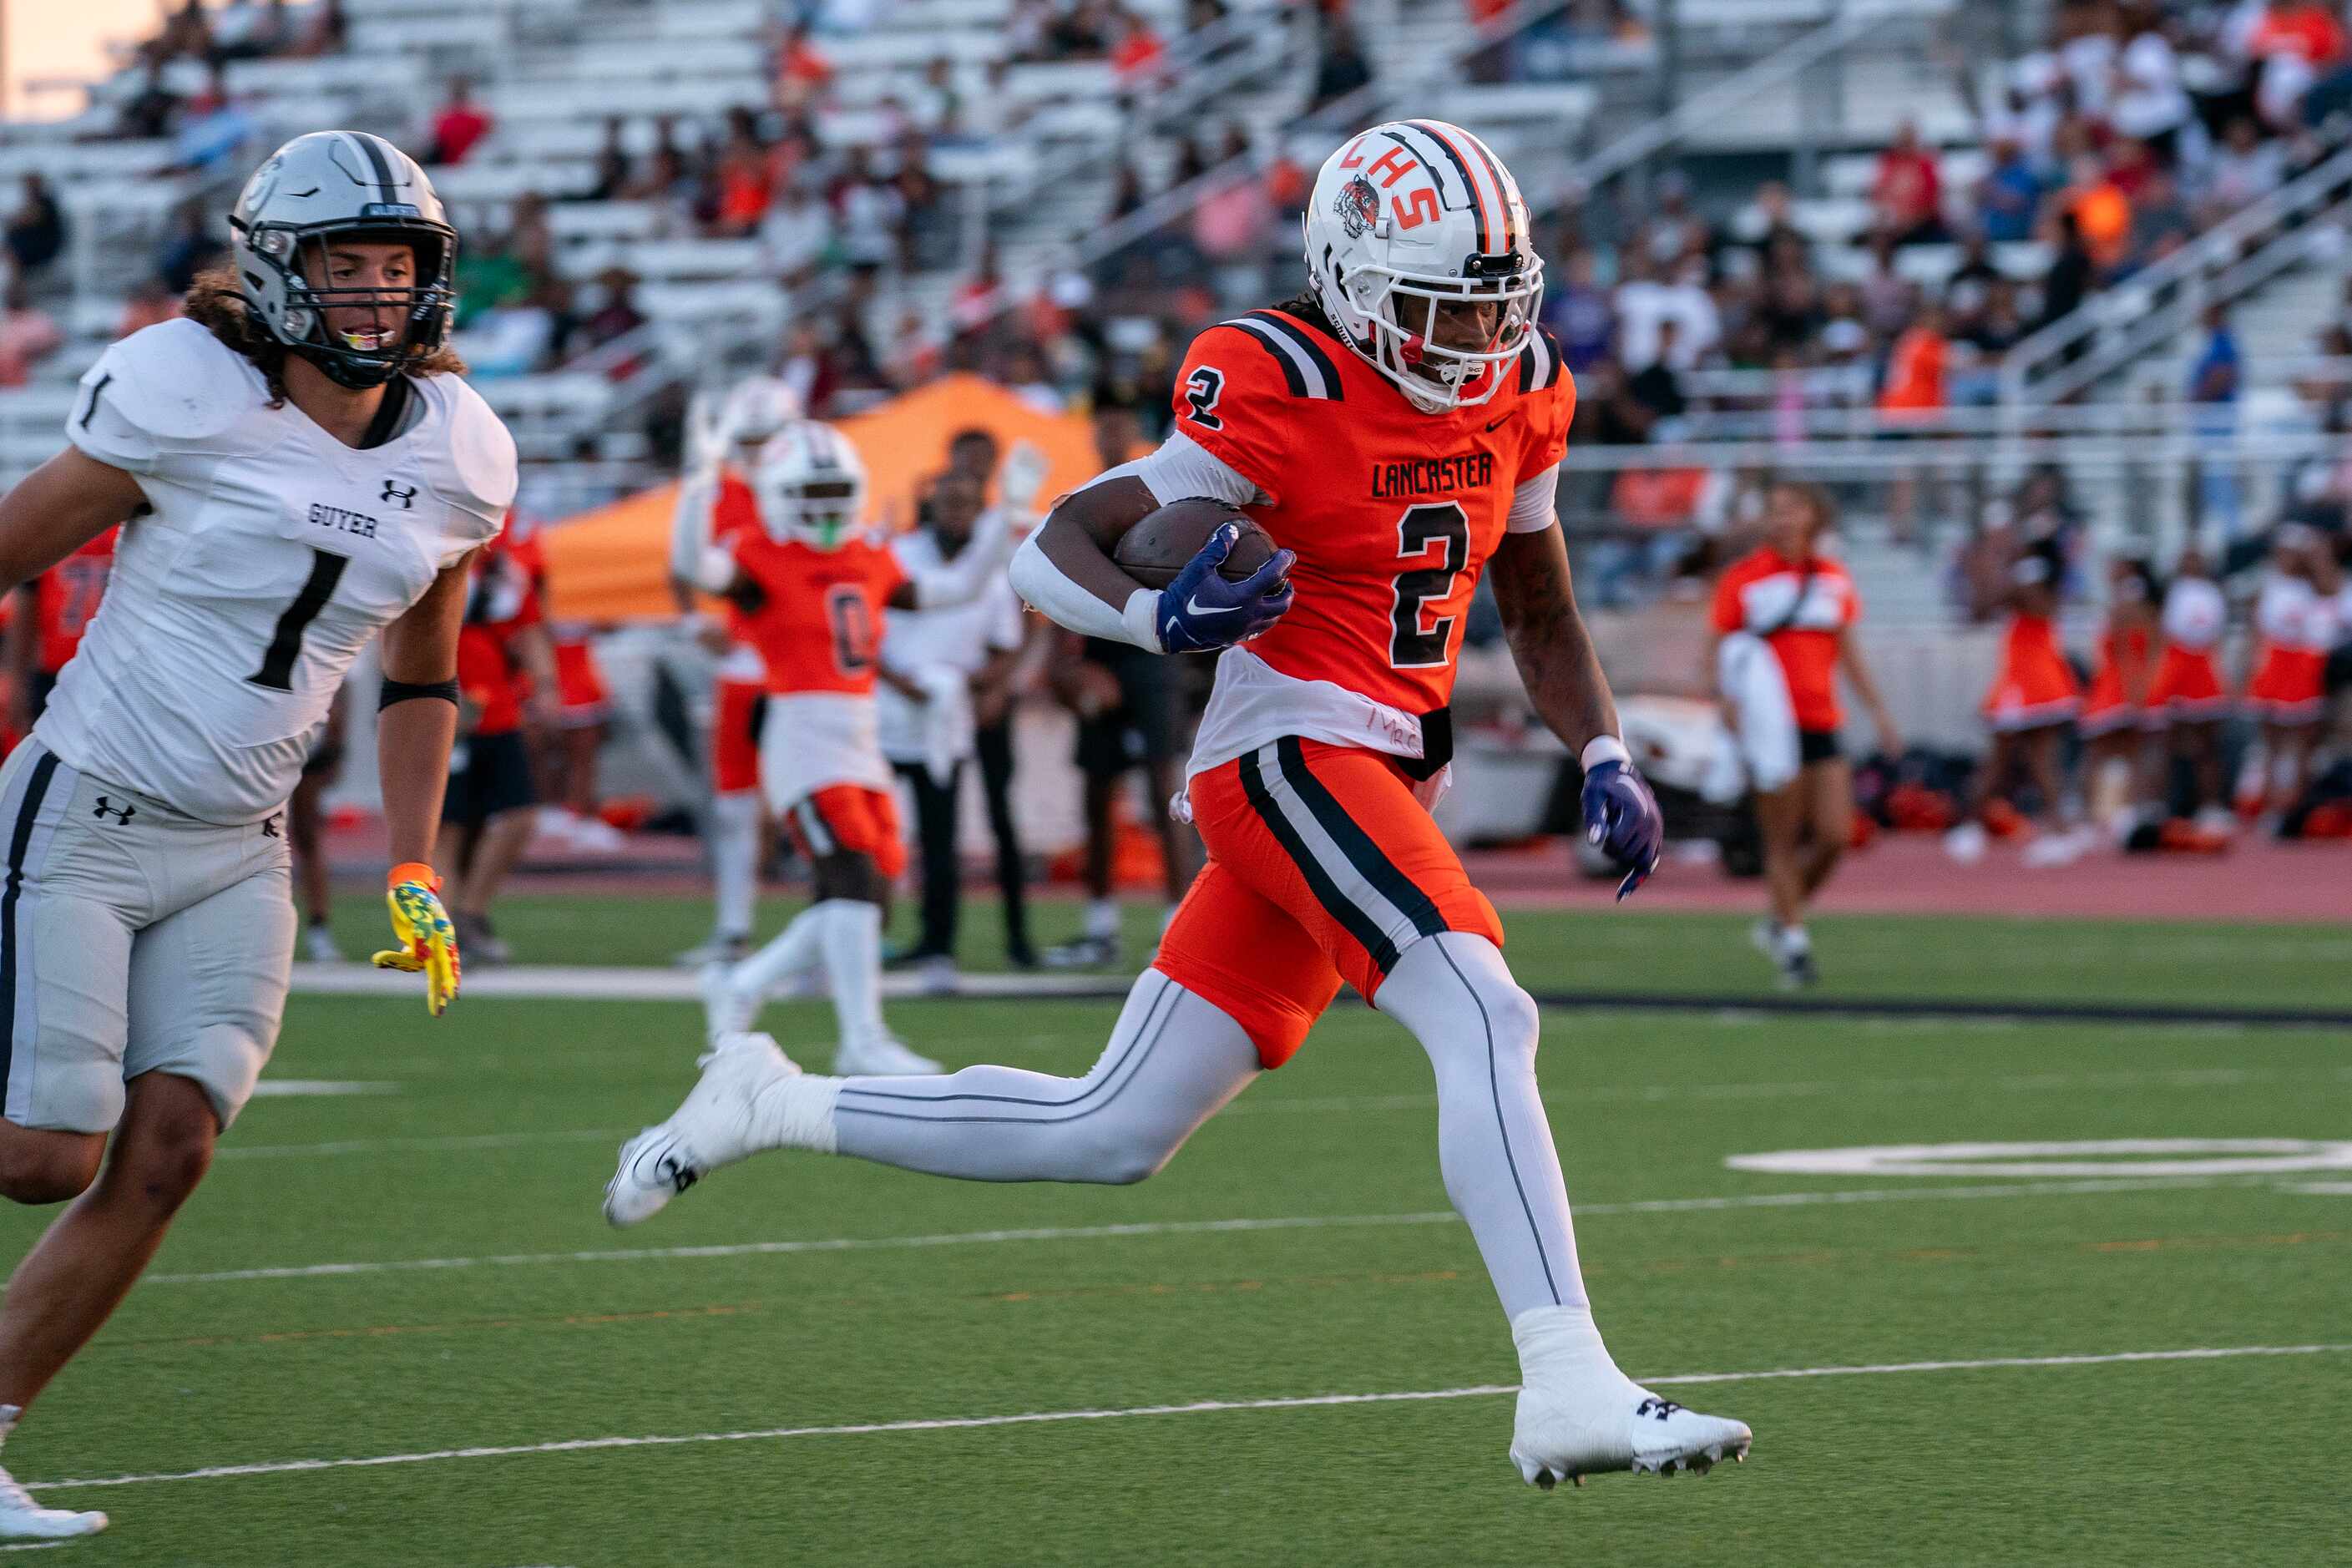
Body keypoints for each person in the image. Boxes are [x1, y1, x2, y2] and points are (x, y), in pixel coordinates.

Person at [607, 120, 1749, 1490]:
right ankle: (1568, 1380)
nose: (1474, 338)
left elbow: (1539, 603)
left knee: (1113, 1127)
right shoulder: (1272, 375)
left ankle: (772, 1101)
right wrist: (1157, 609)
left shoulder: (1521, 387)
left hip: (1385, 763)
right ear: (1354, 274)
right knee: (1484, 1005)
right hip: (1292, 751)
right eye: (1446, 305)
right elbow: (1052, 551)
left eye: (1498, 306)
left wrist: (1603, 751)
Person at [0, 131, 510, 1538]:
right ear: (278, 271)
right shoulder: (186, 395)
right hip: (87, 806)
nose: (371, 294)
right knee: (41, 1149)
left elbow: (424, 672)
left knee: (168, 1147)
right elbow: (11, 547)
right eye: (342, 264)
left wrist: (411, 857)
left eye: (394, 265)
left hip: (242, 845)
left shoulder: (462, 450)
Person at [686, 420, 1013, 1075]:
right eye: (812, 490)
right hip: (802, 733)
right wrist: (699, 481)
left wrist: (1008, 521)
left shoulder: (868, 552)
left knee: (873, 885)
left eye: (835, 488)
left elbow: (959, 590)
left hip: (861, 730)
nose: (826, 503)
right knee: (852, 876)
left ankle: (743, 983)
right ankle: (860, 1038)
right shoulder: (759, 552)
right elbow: (691, 567)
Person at [1709, 483, 1899, 989]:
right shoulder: (1744, 578)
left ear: (1815, 517)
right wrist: (1726, 704)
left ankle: (1782, 916)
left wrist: (1878, 712)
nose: (1782, 519)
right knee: (1782, 838)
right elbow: (1723, 650)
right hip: (1771, 724)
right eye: (1774, 510)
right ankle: (1794, 945)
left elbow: (1848, 652)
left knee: (1836, 834)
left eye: (1792, 510)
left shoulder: (1833, 579)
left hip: (1822, 718)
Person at [1043, 396, 1196, 968]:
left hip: (1154, 650)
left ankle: (1175, 922)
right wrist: (1068, 663)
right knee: (1096, 788)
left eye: (1119, 425)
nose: (1111, 435)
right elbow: (1057, 579)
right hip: (1103, 650)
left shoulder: (1162, 492)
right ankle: (1100, 925)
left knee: (1165, 789)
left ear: (1135, 431)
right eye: (1103, 425)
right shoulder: (1084, 496)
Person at [670, 377, 803, 967]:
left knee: (817, 806)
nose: (752, 451)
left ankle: (830, 935)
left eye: (764, 438)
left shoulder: (811, 490)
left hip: (800, 669)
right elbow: (681, 564)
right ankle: (733, 930)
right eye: (744, 440)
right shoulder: (714, 494)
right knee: (733, 807)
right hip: (742, 669)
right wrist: (693, 621)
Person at [877, 469, 1027, 989]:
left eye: (967, 504)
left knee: (941, 839)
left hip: (945, 718)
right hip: (884, 713)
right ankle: (861, 938)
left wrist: (973, 685)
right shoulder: (896, 554)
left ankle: (939, 946)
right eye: (948, 502)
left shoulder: (985, 570)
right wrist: (900, 682)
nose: (956, 513)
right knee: (869, 834)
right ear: (931, 504)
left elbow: (1005, 644)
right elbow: (862, 632)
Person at [437, 526, 555, 964]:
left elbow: (528, 628)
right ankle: (445, 933)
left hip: (498, 711)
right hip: (441, 709)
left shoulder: (506, 570)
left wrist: (544, 686)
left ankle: (469, 914)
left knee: (518, 815)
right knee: (448, 828)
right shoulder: (433, 556)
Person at [1948, 539, 2085, 866]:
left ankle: (1976, 826)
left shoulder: (2029, 578)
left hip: (2029, 682)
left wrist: (1988, 569)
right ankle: (2056, 829)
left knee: (2011, 760)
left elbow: (1991, 604)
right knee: (2026, 759)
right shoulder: (2029, 579)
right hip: (2033, 679)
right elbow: (1980, 611)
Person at [2242, 524, 2340, 823]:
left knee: (2304, 743)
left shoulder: (2316, 584)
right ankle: (2272, 808)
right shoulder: (2267, 585)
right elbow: (2256, 631)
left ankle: (2297, 808)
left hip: (2303, 666)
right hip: (2274, 664)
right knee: (2272, 742)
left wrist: (2317, 556)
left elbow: (2331, 592)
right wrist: (2251, 669)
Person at [2144, 543, 2231, 832]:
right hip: (2176, 669)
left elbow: (2215, 637)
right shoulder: (2170, 593)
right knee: (2167, 743)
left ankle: (2209, 805)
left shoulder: (2212, 594)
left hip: (2203, 669)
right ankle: (2163, 805)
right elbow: (2160, 635)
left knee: (2207, 745)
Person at [2076, 555, 2159, 841]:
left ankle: (2096, 816)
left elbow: (2127, 652)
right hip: (2124, 686)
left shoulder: (2126, 605)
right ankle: (2128, 812)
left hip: (2118, 689)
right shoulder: (2138, 606)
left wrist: (2134, 691)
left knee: (2100, 755)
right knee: (2130, 755)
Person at [288, 686, 350, 960]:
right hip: (263, 734)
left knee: (307, 836)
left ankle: (319, 927)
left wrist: (335, 746)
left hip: (307, 739)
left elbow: (343, 685)